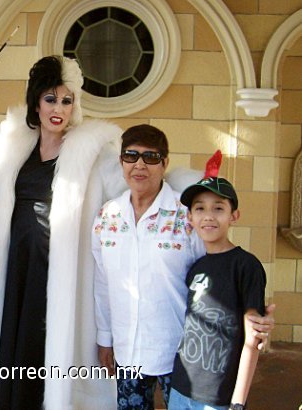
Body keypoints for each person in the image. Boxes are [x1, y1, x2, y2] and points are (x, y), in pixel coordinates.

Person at [0, 55, 125, 409]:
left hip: (58, 273)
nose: (58, 108)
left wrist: (194, 198)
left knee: (47, 354)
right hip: (13, 268)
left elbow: (134, 184)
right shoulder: (13, 139)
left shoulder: (95, 152)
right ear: (36, 101)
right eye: (50, 99)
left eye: (66, 99)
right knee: (13, 355)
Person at [92, 126, 275, 410]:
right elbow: (102, 282)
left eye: (151, 157)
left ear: (165, 163)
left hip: (181, 355)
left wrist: (252, 318)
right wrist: (105, 338)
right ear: (121, 162)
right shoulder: (107, 216)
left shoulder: (187, 214)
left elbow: (218, 273)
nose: (140, 164)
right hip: (126, 349)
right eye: (131, 155)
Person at [169, 153, 266, 410]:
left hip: (219, 399)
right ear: (190, 218)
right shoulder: (196, 266)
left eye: (219, 208)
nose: (209, 216)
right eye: (200, 208)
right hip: (180, 387)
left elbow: (252, 340)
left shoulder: (246, 266)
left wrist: (237, 402)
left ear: (234, 215)